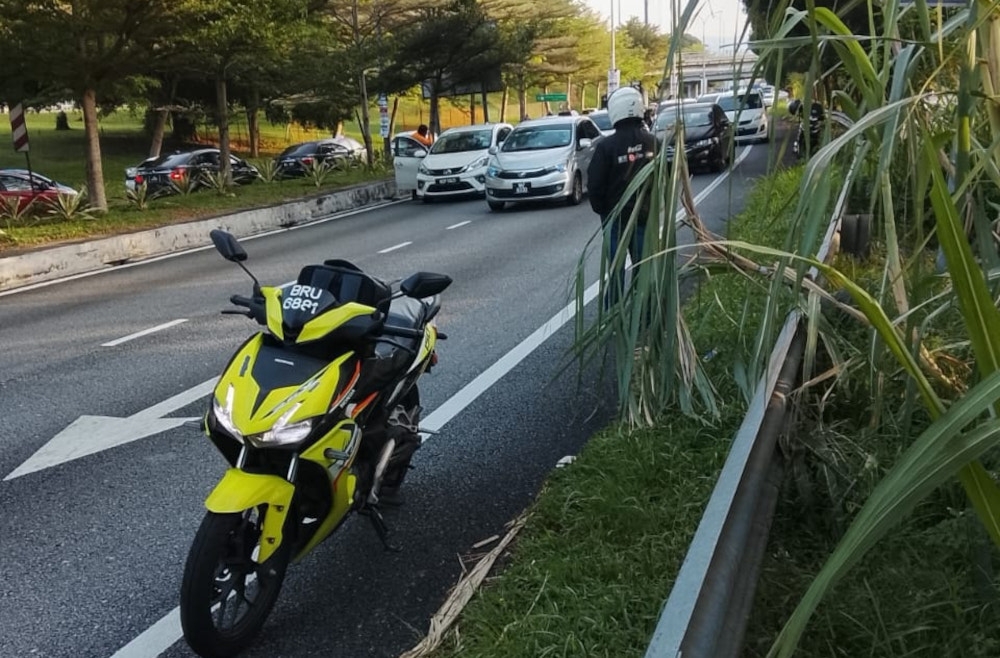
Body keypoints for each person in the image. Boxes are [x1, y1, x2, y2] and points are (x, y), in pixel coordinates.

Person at [587, 86, 657, 307]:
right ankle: (644, 314)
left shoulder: (606, 147)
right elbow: (663, 177)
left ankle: (612, 317)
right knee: (642, 266)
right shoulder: (653, 142)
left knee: (615, 269)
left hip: (615, 217)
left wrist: (603, 210)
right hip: (644, 216)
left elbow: (595, 184)